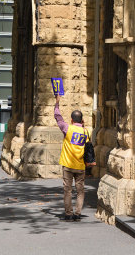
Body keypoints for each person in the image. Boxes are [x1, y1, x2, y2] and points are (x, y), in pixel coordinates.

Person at [54, 94, 89, 222]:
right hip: (80, 166)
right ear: (82, 120)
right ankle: (78, 213)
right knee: (80, 191)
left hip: (68, 166)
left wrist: (57, 102)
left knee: (67, 190)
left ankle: (68, 214)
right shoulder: (86, 132)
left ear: (72, 120)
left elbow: (58, 117)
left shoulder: (67, 128)